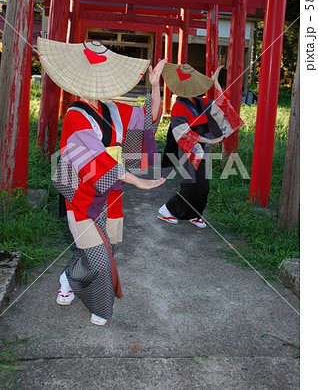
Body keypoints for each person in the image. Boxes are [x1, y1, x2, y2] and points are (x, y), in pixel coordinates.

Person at [38, 38, 166, 325]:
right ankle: (99, 303)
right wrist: (137, 181)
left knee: (112, 246)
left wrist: (155, 85)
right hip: (82, 193)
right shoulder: (74, 114)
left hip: (111, 190)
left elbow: (148, 119)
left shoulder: (113, 109)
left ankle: (68, 275)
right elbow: (94, 159)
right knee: (98, 257)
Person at [158, 63, 244, 228]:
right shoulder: (178, 107)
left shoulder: (200, 102)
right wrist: (211, 141)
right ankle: (167, 210)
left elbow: (221, 104)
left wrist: (216, 82)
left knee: (203, 184)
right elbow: (181, 133)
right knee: (190, 184)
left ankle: (195, 214)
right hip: (187, 149)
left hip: (201, 147)